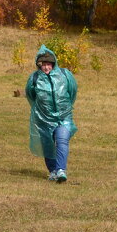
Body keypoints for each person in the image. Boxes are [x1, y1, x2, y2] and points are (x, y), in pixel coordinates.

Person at [24, 45, 77, 183]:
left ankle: (61, 170)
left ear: (53, 64)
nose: (46, 67)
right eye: (43, 65)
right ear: (39, 65)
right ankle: (53, 171)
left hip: (63, 118)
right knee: (48, 145)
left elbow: (72, 92)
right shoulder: (34, 79)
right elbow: (30, 95)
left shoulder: (65, 75)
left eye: (49, 64)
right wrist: (42, 112)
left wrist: (65, 108)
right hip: (43, 119)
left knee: (62, 140)